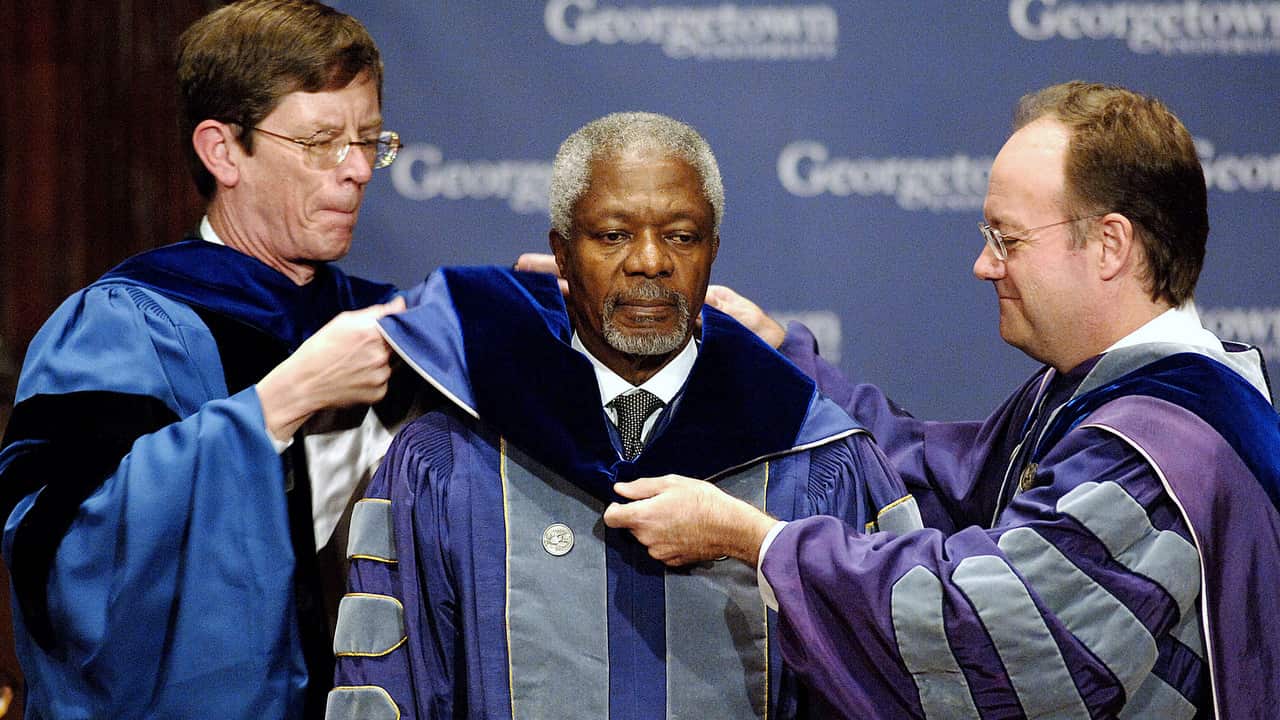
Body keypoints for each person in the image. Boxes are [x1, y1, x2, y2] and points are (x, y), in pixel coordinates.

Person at [602, 82, 1280, 718]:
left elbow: (993, 634)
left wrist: (755, 539)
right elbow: (934, 479)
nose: (985, 265)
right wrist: (779, 358)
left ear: (1109, 244)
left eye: (1005, 239)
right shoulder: (1105, 395)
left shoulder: (1164, 449)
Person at [326, 112, 915, 720]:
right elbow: (389, 687)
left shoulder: (814, 456)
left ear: (713, 251)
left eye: (682, 236)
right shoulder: (451, 459)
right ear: (561, 252)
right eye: (612, 236)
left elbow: (884, 679)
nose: (650, 262)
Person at [0, 1, 413, 716]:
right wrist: (274, 407)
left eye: (369, 141)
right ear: (223, 151)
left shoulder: (388, 325)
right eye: (321, 142)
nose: (356, 171)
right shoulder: (123, 328)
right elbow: (62, 566)